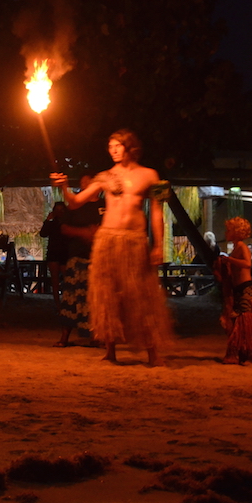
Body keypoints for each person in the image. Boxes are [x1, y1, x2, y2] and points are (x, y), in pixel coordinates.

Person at [51, 129, 173, 366]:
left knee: (142, 295)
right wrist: (64, 187)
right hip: (107, 240)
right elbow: (75, 202)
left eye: (118, 146)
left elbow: (158, 212)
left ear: (130, 148)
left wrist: (157, 245)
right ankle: (110, 350)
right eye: (110, 146)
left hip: (135, 240)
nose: (113, 150)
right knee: (107, 294)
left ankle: (152, 353)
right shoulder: (105, 176)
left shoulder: (150, 175)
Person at [55, 175, 102, 348]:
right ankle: (64, 336)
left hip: (99, 257)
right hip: (76, 256)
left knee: (96, 298)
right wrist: (84, 233)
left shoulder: (105, 206)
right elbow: (64, 228)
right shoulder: (74, 206)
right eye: (82, 182)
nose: (84, 184)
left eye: (88, 181)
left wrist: (98, 234)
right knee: (70, 297)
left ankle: (96, 335)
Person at [215, 217, 252, 364]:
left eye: (229, 230)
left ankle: (249, 354)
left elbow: (247, 264)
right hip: (238, 288)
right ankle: (240, 352)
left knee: (246, 320)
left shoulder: (242, 247)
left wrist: (229, 260)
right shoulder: (236, 248)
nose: (226, 233)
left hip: (246, 287)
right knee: (238, 320)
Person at [40, 201, 69, 307]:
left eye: (62, 210)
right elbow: (43, 234)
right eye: (57, 210)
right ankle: (57, 304)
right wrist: (47, 220)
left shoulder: (68, 224)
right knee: (55, 280)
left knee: (67, 279)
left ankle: (67, 302)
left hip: (65, 253)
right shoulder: (51, 224)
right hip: (53, 253)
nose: (60, 213)